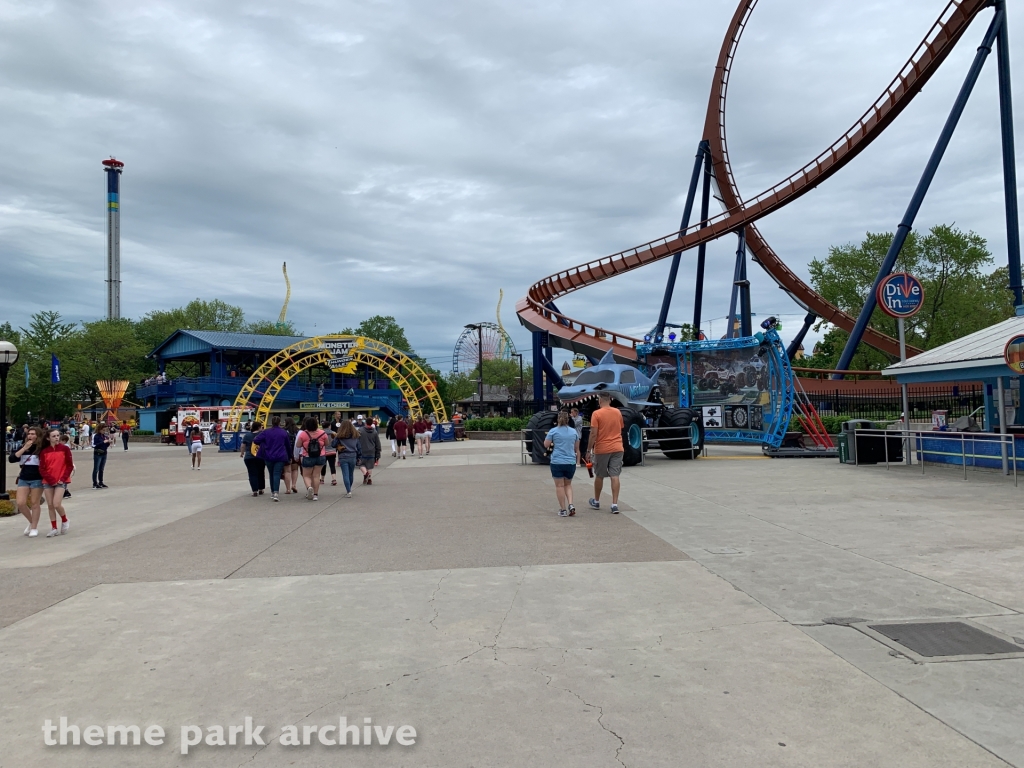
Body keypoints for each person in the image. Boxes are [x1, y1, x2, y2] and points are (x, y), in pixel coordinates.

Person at [586, 393, 624, 514]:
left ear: (600, 400)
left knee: (599, 475)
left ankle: (596, 501)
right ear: (610, 400)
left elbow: (593, 434)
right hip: (617, 447)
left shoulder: (596, 414)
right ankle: (614, 504)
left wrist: (588, 449)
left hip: (602, 448)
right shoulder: (617, 412)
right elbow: (620, 428)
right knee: (615, 475)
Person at [544, 411, 580, 517]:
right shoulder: (574, 432)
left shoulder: (553, 431)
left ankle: (563, 510)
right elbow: (576, 448)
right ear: (568, 420)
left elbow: (546, 444)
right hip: (571, 461)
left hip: (557, 461)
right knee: (568, 484)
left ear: (557, 420)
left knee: (559, 486)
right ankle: (571, 504)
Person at [40, 428, 74, 537]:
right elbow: (42, 468)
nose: (56, 438)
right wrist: (50, 480)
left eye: (57, 435)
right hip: (48, 480)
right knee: (50, 505)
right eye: (53, 436)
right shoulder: (44, 451)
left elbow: (69, 465)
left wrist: (63, 478)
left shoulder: (65, 449)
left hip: (61, 480)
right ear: (48, 438)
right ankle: (54, 527)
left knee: (56, 503)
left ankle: (64, 519)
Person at [10, 426, 44, 537]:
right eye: (29, 434)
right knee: (20, 503)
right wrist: (24, 448)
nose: (31, 436)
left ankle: (34, 527)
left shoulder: (41, 448)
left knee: (35, 503)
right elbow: (12, 459)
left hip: (37, 479)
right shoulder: (23, 447)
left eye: (33, 434)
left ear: (38, 436)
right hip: (24, 478)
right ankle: (31, 522)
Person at [254, 415, 291, 501]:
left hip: (268, 455)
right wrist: (289, 456)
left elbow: (256, 440)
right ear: (279, 423)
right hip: (280, 456)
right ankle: (276, 492)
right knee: (277, 473)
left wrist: (264, 443)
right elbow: (288, 445)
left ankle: (272, 491)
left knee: (271, 474)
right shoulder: (283, 432)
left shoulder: (266, 432)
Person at [296, 416, 328, 500]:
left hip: (307, 456)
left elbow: (298, 445)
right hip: (320, 456)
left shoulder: (303, 433)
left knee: (306, 475)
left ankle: (309, 487)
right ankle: (315, 495)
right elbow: (327, 444)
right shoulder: (322, 433)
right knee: (316, 476)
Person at [334, 420, 360, 497]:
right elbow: (359, 447)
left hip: (343, 456)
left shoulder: (339, 436)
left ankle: (348, 491)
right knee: (351, 474)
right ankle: (349, 489)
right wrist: (359, 456)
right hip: (353, 455)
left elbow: (333, 444)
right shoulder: (355, 435)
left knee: (345, 474)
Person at [240, 422, 266, 497]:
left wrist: (242, 453)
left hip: (249, 457)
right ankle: (261, 488)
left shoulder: (247, 435)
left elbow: (243, 445)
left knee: (252, 473)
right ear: (259, 427)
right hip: (260, 456)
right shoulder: (262, 434)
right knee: (261, 472)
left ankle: (255, 490)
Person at [357, 417, 382, 485]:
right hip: (372, 451)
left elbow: (357, 440)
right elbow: (377, 443)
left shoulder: (360, 430)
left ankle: (365, 474)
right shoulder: (374, 431)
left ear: (365, 422)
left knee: (361, 464)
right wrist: (378, 452)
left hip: (362, 450)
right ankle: (369, 478)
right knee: (369, 466)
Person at [283, 417, 300, 494]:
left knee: (287, 471)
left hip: (286, 452)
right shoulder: (297, 430)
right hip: (295, 452)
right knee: (295, 469)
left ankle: (288, 489)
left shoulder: (283, 430)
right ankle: (294, 485)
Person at [320, 419, 338, 487]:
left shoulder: (321, 433)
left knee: (323, 466)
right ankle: (334, 479)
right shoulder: (334, 433)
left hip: (323, 452)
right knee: (332, 465)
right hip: (332, 451)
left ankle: (322, 479)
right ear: (329, 426)